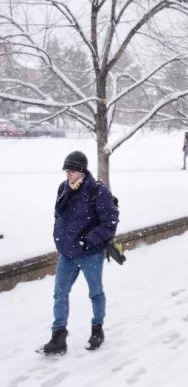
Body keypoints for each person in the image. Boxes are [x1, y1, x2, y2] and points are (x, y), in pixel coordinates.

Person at [40, 151, 119, 355]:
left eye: (72, 170)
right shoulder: (63, 188)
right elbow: (58, 215)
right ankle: (58, 336)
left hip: (89, 253)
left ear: (82, 171)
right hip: (66, 253)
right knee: (60, 294)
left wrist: (87, 241)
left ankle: (97, 329)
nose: (68, 174)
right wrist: (59, 237)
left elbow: (110, 222)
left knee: (95, 293)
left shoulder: (97, 191)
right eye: (67, 170)